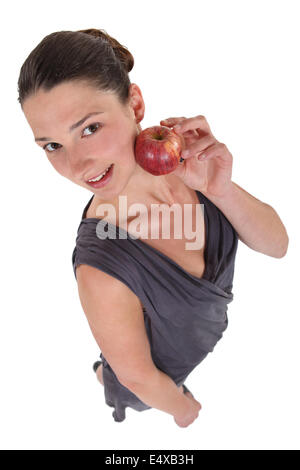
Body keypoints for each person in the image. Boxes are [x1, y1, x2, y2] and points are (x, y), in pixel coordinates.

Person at [17, 28, 289, 427]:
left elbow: (278, 245)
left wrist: (222, 190)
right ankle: (102, 373)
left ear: (136, 104)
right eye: (52, 146)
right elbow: (141, 377)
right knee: (123, 384)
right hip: (157, 375)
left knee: (119, 359)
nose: (78, 165)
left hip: (195, 337)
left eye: (89, 128)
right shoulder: (100, 271)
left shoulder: (185, 162)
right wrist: (184, 411)